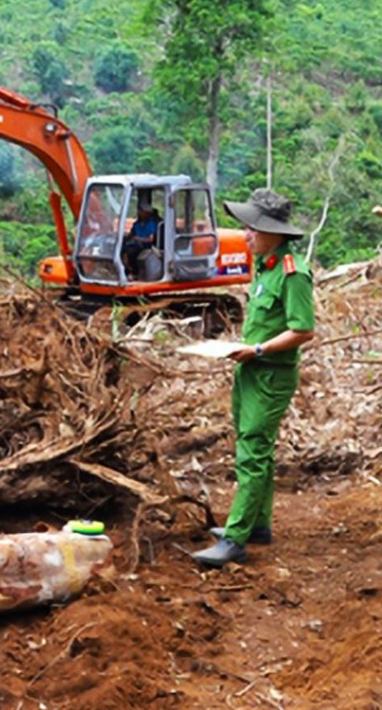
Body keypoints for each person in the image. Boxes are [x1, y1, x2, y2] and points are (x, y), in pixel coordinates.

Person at [192, 188, 316, 567]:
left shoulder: (293, 274)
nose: (245, 236)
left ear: (273, 232)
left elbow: (302, 329)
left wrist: (259, 350)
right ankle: (257, 524)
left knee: (252, 452)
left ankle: (236, 538)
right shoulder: (265, 265)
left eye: (251, 229)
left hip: (270, 375)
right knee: (252, 447)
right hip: (250, 370)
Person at [124, 203, 163, 280]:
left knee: (132, 252)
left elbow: (151, 239)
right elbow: (131, 234)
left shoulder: (151, 225)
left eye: (141, 212)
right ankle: (126, 270)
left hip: (145, 245)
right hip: (134, 243)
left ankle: (134, 273)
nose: (139, 213)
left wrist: (138, 239)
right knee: (122, 248)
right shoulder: (136, 224)